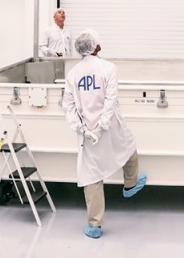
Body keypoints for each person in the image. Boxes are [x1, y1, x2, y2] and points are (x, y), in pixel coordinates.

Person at [62, 29, 147, 239]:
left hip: (88, 130)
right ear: (96, 47)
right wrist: (102, 125)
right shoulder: (108, 68)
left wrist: (83, 129)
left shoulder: (72, 74)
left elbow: (68, 106)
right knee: (129, 147)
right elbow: (111, 100)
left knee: (91, 175)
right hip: (110, 126)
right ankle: (130, 184)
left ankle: (94, 225)